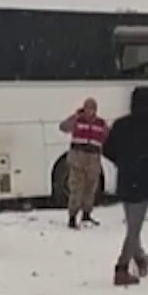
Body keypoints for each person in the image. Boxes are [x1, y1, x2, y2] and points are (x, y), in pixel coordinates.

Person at [102, 86, 148, 286]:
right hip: (143, 180)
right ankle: (121, 268)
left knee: (132, 223)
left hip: (125, 179)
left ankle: (141, 258)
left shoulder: (120, 125)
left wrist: (123, 161)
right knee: (134, 228)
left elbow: (107, 149)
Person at [59, 97, 108, 229]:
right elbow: (63, 127)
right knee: (76, 188)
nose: (90, 111)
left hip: (93, 159)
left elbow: (107, 137)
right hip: (77, 159)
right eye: (87, 108)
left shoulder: (101, 123)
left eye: (92, 109)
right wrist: (75, 116)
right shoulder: (77, 120)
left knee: (90, 189)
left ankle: (86, 213)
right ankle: (72, 217)